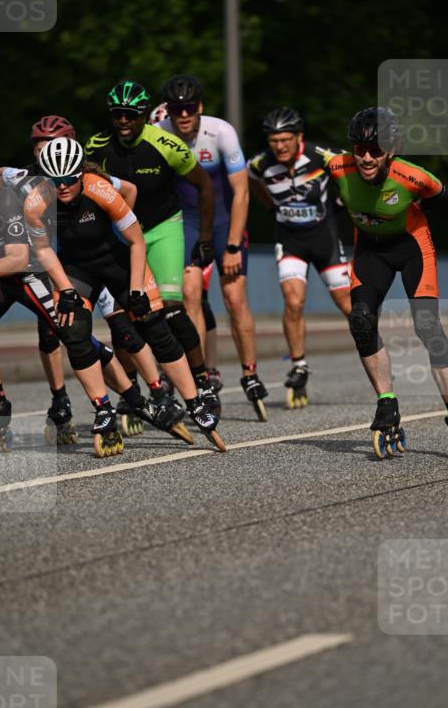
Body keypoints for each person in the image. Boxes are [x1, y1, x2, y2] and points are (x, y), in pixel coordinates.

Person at [25, 136, 225, 450]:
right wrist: (64, 289)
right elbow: (43, 251)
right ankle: (103, 408)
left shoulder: (99, 188)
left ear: (81, 173)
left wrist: (135, 290)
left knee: (154, 325)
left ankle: (194, 402)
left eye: (68, 179)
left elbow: (136, 242)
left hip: (117, 259)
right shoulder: (36, 202)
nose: (62, 187)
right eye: (54, 181)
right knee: (72, 330)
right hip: (77, 267)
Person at [0, 114, 179, 441]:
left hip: (105, 258)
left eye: (50, 146)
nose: (44, 152)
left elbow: (131, 191)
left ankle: (156, 391)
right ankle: (62, 401)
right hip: (64, 264)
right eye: (39, 147)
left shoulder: (90, 176)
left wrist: (113, 225)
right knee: (58, 331)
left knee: (125, 329)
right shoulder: (36, 179)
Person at [0, 149, 125, 456]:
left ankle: (122, 399)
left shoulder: (5, 203)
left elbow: (18, 258)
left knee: (73, 334)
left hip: (26, 272)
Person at [328, 106, 448, 461]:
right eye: (359, 149)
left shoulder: (414, 177)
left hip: (412, 247)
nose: (366, 158)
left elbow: (444, 197)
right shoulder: (337, 167)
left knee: (427, 325)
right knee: (361, 321)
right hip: (371, 251)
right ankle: (386, 403)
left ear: (392, 149)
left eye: (376, 150)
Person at [84, 78, 221, 414]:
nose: (124, 122)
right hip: (123, 236)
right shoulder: (96, 147)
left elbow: (204, 186)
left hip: (162, 228)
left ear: (144, 114)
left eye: (131, 115)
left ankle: (202, 380)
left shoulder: (166, 144)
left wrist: (204, 238)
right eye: (118, 115)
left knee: (172, 310)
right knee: (125, 316)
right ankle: (133, 394)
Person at [156, 76, 267, 420]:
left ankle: (249, 373)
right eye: (177, 110)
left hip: (223, 222)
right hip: (186, 223)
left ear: (200, 108)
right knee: (189, 297)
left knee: (234, 299)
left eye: (189, 109)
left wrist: (233, 244)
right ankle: (200, 380)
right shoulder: (159, 131)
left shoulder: (221, 132)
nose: (183, 115)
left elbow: (242, 193)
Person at [248, 107, 351, 408]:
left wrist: (344, 200)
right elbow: (251, 180)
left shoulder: (322, 155)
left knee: (348, 305)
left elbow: (356, 168)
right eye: (274, 140)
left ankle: (373, 352)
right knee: (293, 301)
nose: (279, 146)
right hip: (290, 240)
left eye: (285, 140)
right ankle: (299, 366)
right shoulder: (261, 163)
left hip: (325, 238)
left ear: (299, 138)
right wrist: (270, 207)